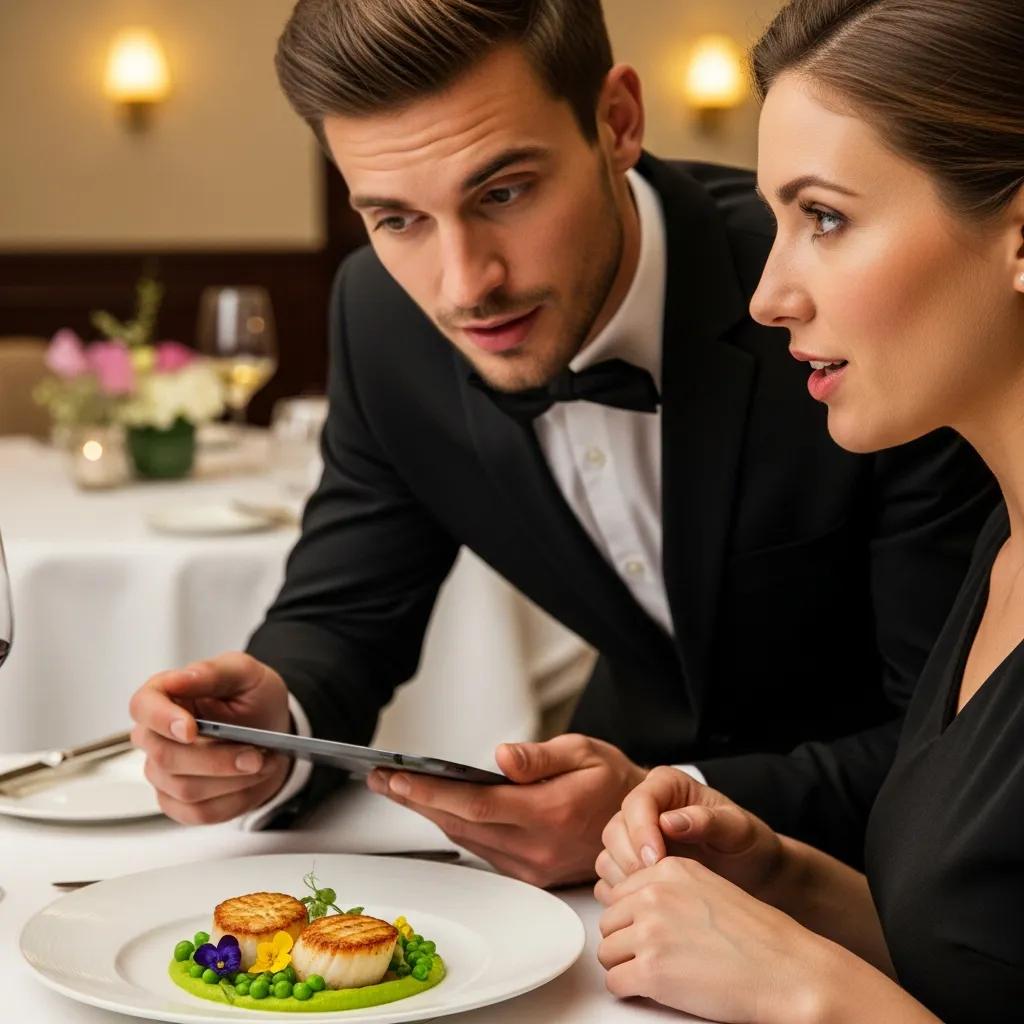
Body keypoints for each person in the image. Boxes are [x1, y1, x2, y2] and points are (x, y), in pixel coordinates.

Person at [128, 0, 994, 887]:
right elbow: (346, 610)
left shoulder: (851, 310)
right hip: (603, 885)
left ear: (617, 121)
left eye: (503, 192)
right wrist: (275, 729)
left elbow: (956, 737)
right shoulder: (383, 319)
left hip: (893, 878)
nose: (466, 287)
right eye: (396, 219)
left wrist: (658, 807)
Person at [595, 1, 1024, 1021]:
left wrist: (802, 992)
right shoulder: (1002, 549)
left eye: (823, 217)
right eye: (775, 219)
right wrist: (784, 879)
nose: (767, 295)